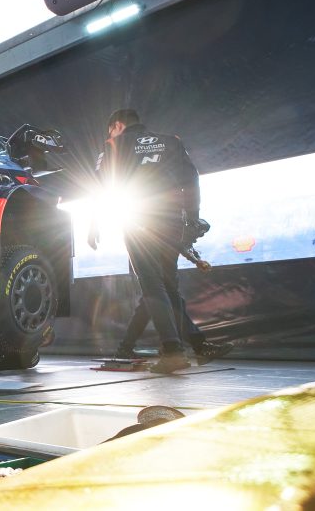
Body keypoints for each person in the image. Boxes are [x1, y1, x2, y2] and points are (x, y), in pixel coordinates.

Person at [89, 109, 226, 373]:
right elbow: (192, 179)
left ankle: (173, 352)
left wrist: (94, 225)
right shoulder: (171, 141)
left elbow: (101, 186)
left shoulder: (113, 146)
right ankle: (195, 344)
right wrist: (192, 218)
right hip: (172, 221)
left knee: (152, 286)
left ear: (117, 125)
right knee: (168, 286)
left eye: (110, 130)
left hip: (138, 221)